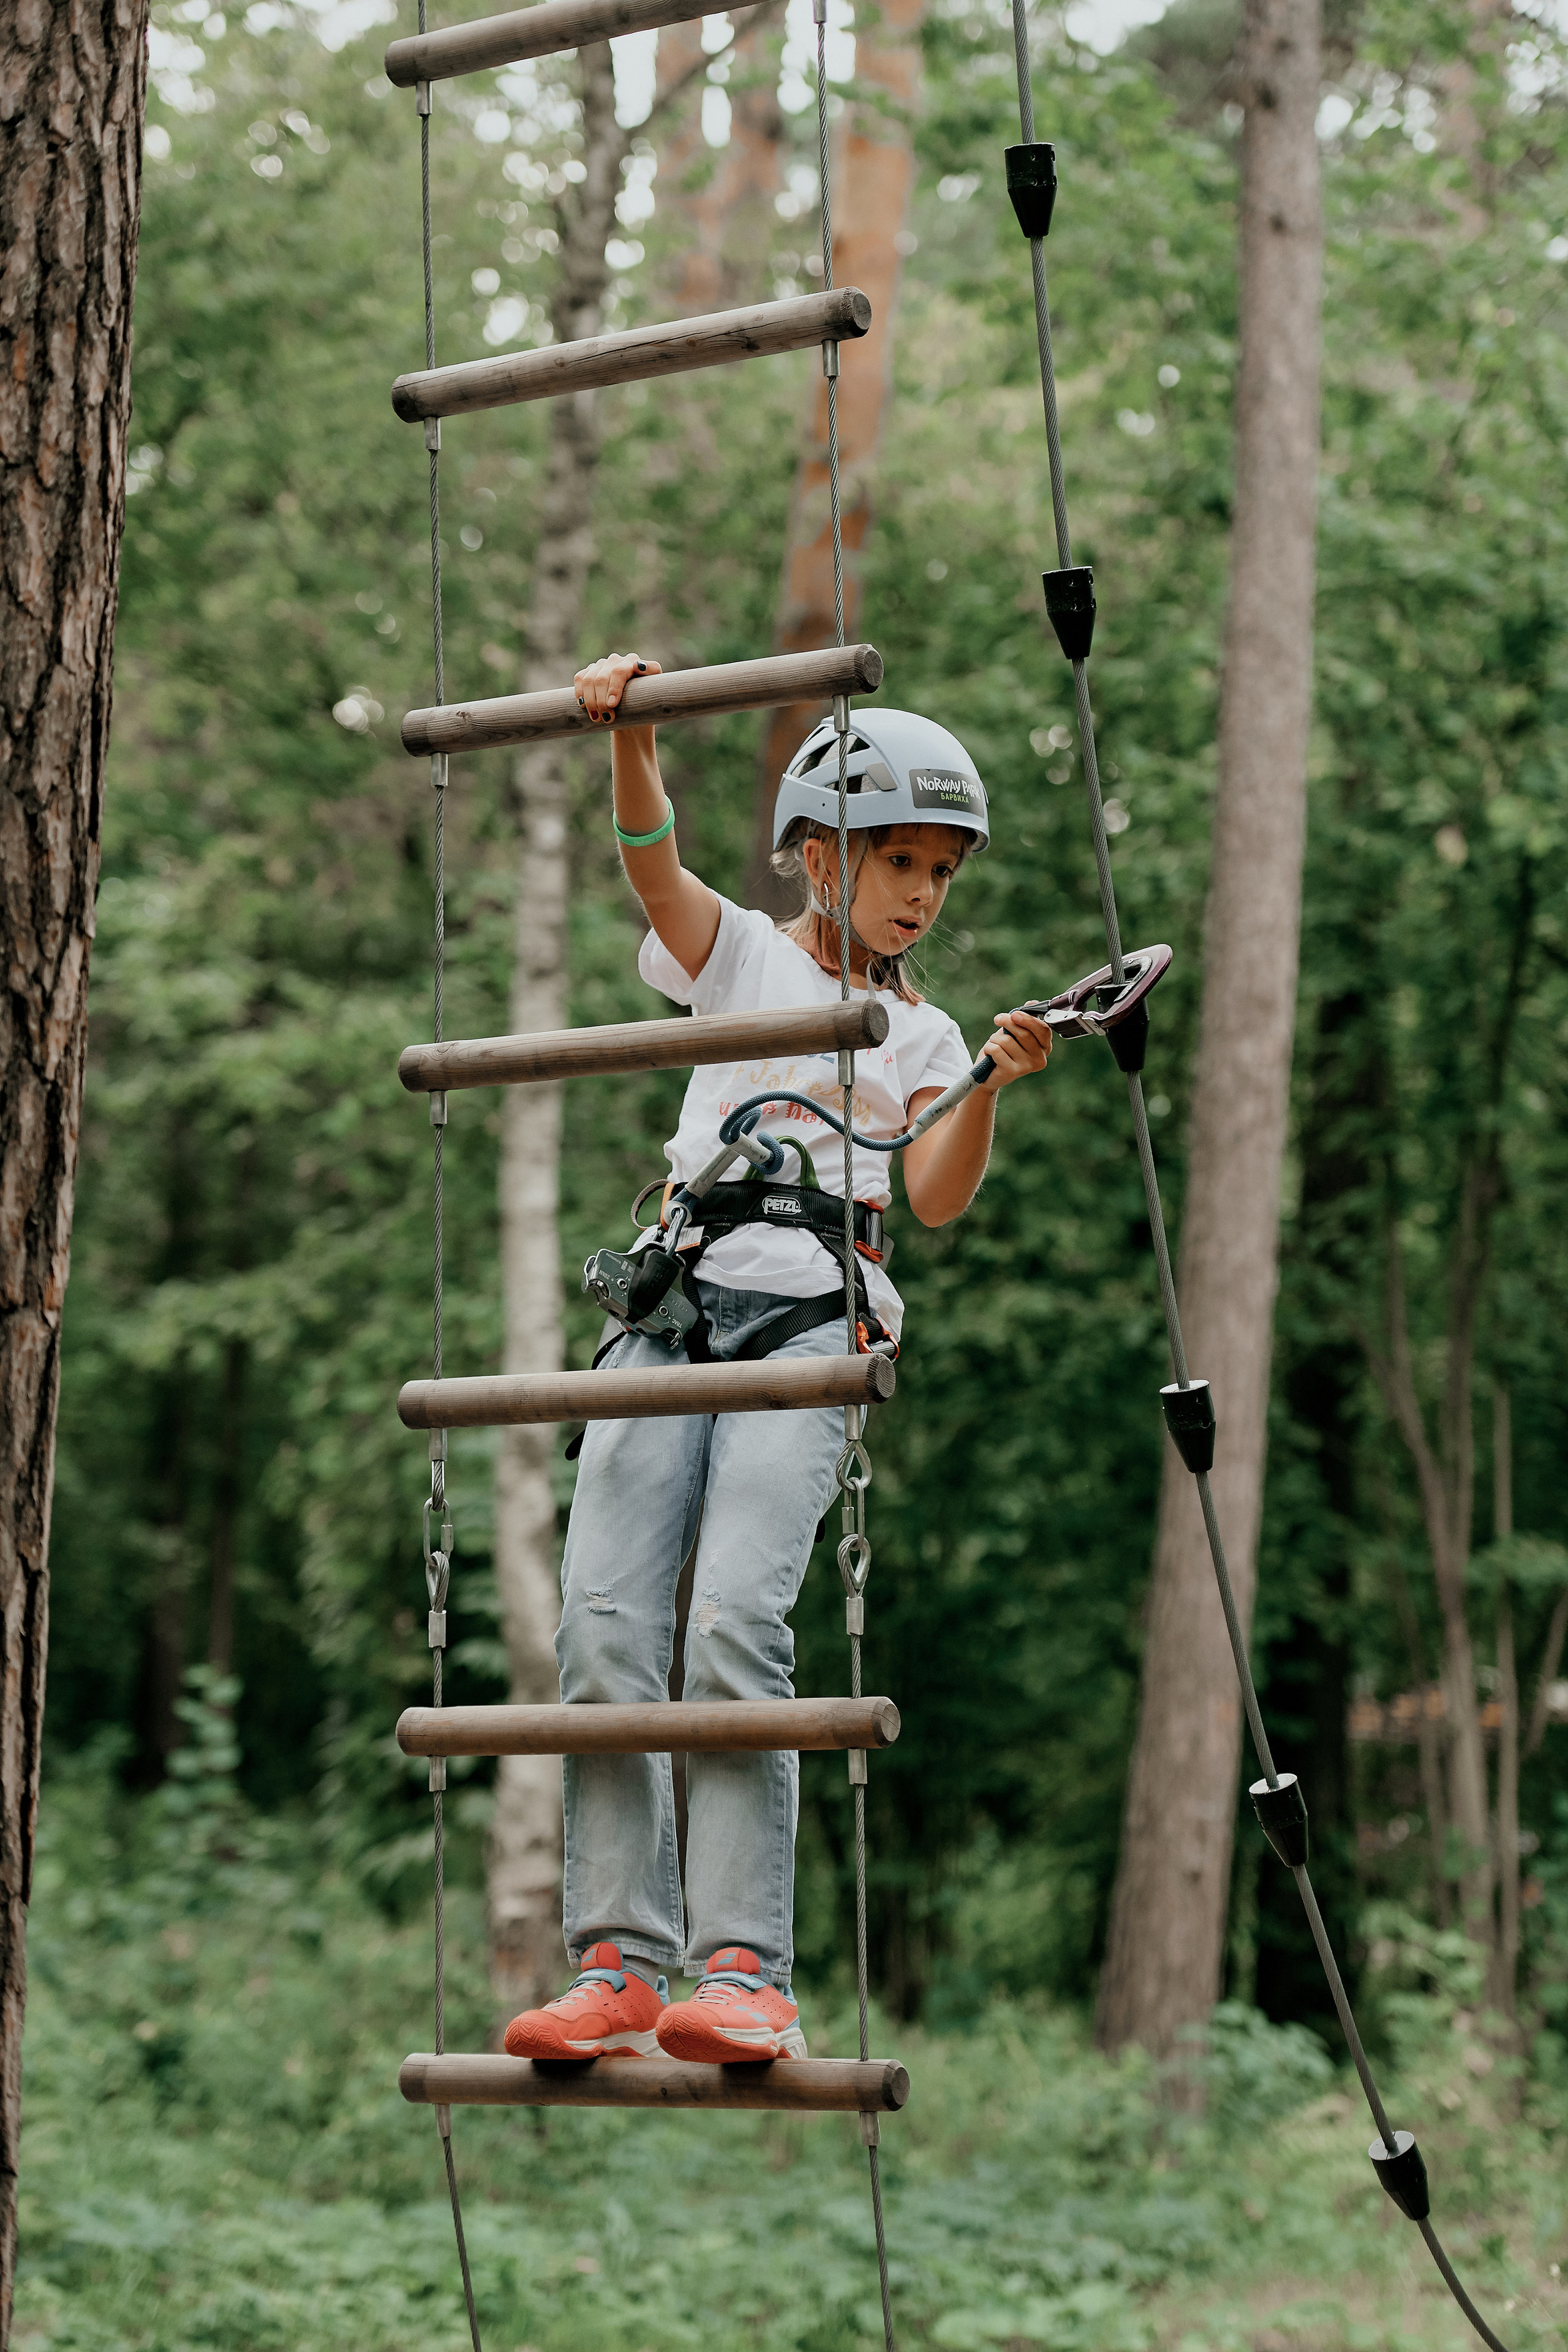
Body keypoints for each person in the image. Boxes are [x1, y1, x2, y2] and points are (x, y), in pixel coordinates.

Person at [503, 651, 1051, 2067]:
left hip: (811, 1330)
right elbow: (653, 872)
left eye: (941, 870)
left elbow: (929, 1199)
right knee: (607, 1629)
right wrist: (627, 737)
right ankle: (622, 1958)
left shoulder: (918, 1031)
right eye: (897, 861)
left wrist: (983, 1084)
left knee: (733, 1628)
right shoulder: (741, 955)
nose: (923, 893)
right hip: (671, 1316)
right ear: (817, 855)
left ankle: (742, 1967)